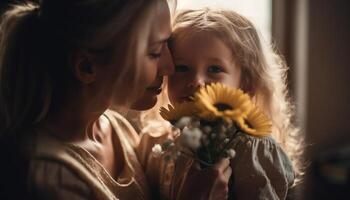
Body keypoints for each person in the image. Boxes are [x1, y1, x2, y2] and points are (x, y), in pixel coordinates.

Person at [0, 1, 232, 199]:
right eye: (154, 52)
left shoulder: (116, 128)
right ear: (87, 67)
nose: (169, 67)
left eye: (167, 46)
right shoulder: (47, 177)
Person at [139, 8, 303, 199]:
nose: (197, 81)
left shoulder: (250, 149)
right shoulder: (154, 141)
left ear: (246, 83)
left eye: (214, 69)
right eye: (182, 68)